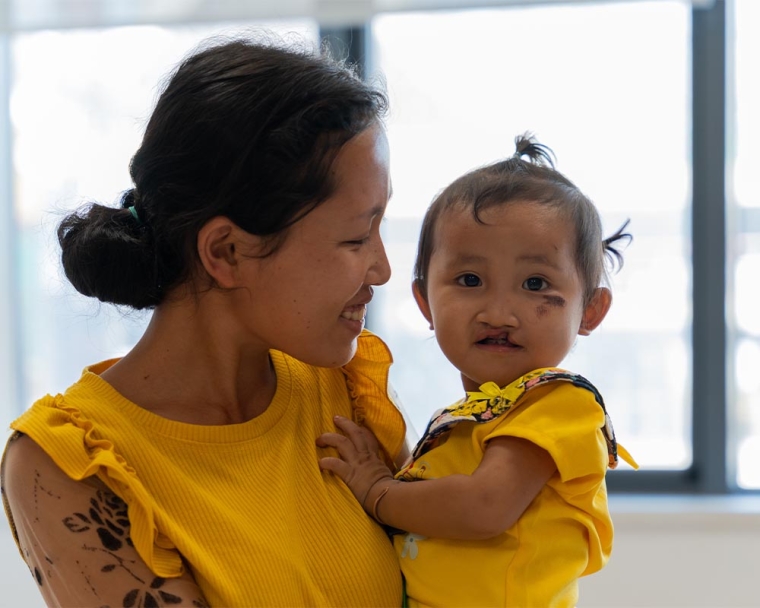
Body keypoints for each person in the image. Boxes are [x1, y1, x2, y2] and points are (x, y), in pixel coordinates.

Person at [0, 33, 410, 607]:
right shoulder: (68, 464)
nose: (383, 269)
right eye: (356, 236)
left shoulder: (344, 387)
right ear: (226, 252)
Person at [317, 134, 639, 608]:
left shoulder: (558, 404)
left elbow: (484, 506)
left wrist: (376, 490)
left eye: (535, 284)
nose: (499, 312)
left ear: (590, 310)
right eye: (470, 280)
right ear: (425, 301)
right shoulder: (468, 420)